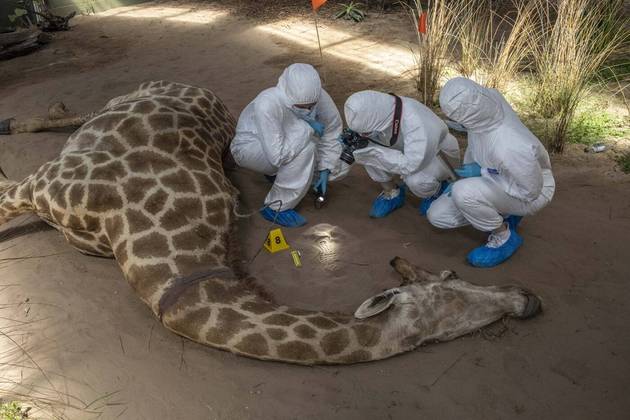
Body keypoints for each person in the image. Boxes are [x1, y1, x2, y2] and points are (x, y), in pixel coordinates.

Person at [428, 77, 555, 267]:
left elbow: (531, 190)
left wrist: (483, 172)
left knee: (463, 192)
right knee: (438, 215)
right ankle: (501, 211)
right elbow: (478, 146)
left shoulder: (508, 146)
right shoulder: (486, 104)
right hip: (501, 177)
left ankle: (503, 236)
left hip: (533, 190)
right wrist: (479, 174)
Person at [230, 63, 349, 227]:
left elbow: (332, 128)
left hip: (287, 142)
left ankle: (282, 175)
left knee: (340, 165)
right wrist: (308, 126)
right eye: (301, 107)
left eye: (311, 105)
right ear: (288, 95)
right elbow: (276, 156)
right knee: (307, 149)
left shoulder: (318, 96)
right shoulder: (268, 103)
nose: (308, 109)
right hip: (251, 147)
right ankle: (276, 207)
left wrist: (325, 167)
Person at [343, 90, 460, 218]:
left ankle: (437, 189)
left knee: (416, 181)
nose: (363, 135)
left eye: (366, 132)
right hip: (403, 149)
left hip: (436, 154)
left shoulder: (416, 123)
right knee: (364, 151)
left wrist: (376, 152)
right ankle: (392, 192)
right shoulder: (380, 111)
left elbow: (410, 165)